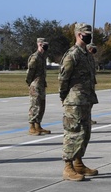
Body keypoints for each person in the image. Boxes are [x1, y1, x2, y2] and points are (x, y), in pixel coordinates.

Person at [58, 23, 99, 181]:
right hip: (74, 100)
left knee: (84, 133)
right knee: (73, 133)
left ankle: (79, 163)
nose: (89, 36)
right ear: (78, 34)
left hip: (85, 99)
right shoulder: (72, 54)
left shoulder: (86, 54)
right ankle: (68, 167)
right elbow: (63, 78)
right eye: (86, 34)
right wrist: (64, 97)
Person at [26, 37, 51, 135]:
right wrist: (30, 83)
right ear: (39, 44)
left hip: (41, 84)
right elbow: (30, 72)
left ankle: (38, 125)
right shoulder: (35, 57)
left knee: (41, 105)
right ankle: (31, 126)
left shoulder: (42, 57)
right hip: (35, 84)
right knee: (35, 105)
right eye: (44, 44)